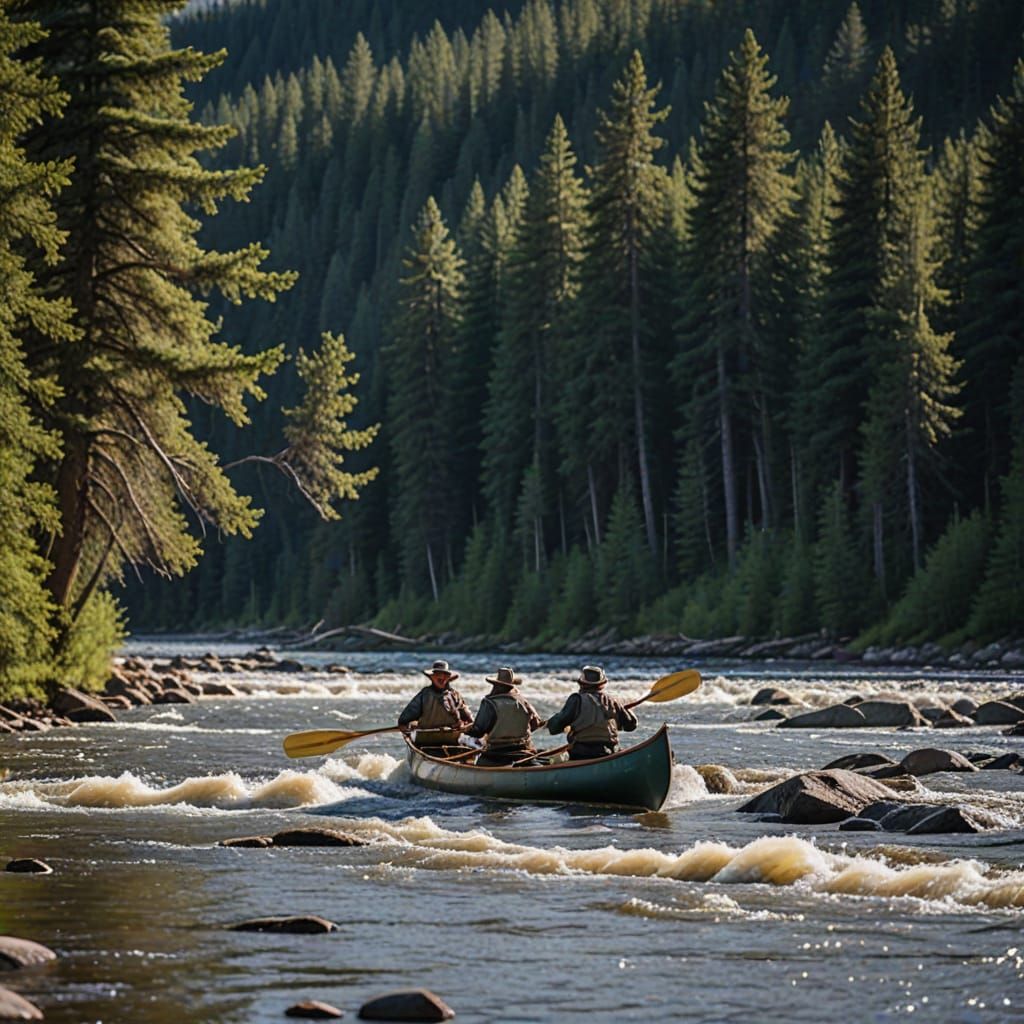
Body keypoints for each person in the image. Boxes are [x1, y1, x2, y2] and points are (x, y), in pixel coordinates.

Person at [546, 665, 638, 760]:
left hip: (581, 753)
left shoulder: (576, 699)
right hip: (610, 751)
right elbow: (630, 725)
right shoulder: (613, 700)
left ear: (581, 683)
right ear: (603, 683)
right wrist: (627, 711)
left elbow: (555, 727)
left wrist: (549, 723)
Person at [464, 667, 544, 766]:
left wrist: (465, 730)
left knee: (478, 763)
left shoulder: (489, 703)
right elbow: (536, 724)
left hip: (496, 753)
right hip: (522, 750)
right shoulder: (523, 701)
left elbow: (478, 732)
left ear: (495, 685)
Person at [398, 660, 473, 756]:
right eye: (438, 674)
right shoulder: (425, 695)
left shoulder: (455, 696)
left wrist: (462, 725)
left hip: (450, 742)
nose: (441, 677)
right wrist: (409, 728)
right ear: (432, 677)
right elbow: (403, 721)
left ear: (448, 678)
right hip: (426, 742)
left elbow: (470, 721)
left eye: (445, 675)